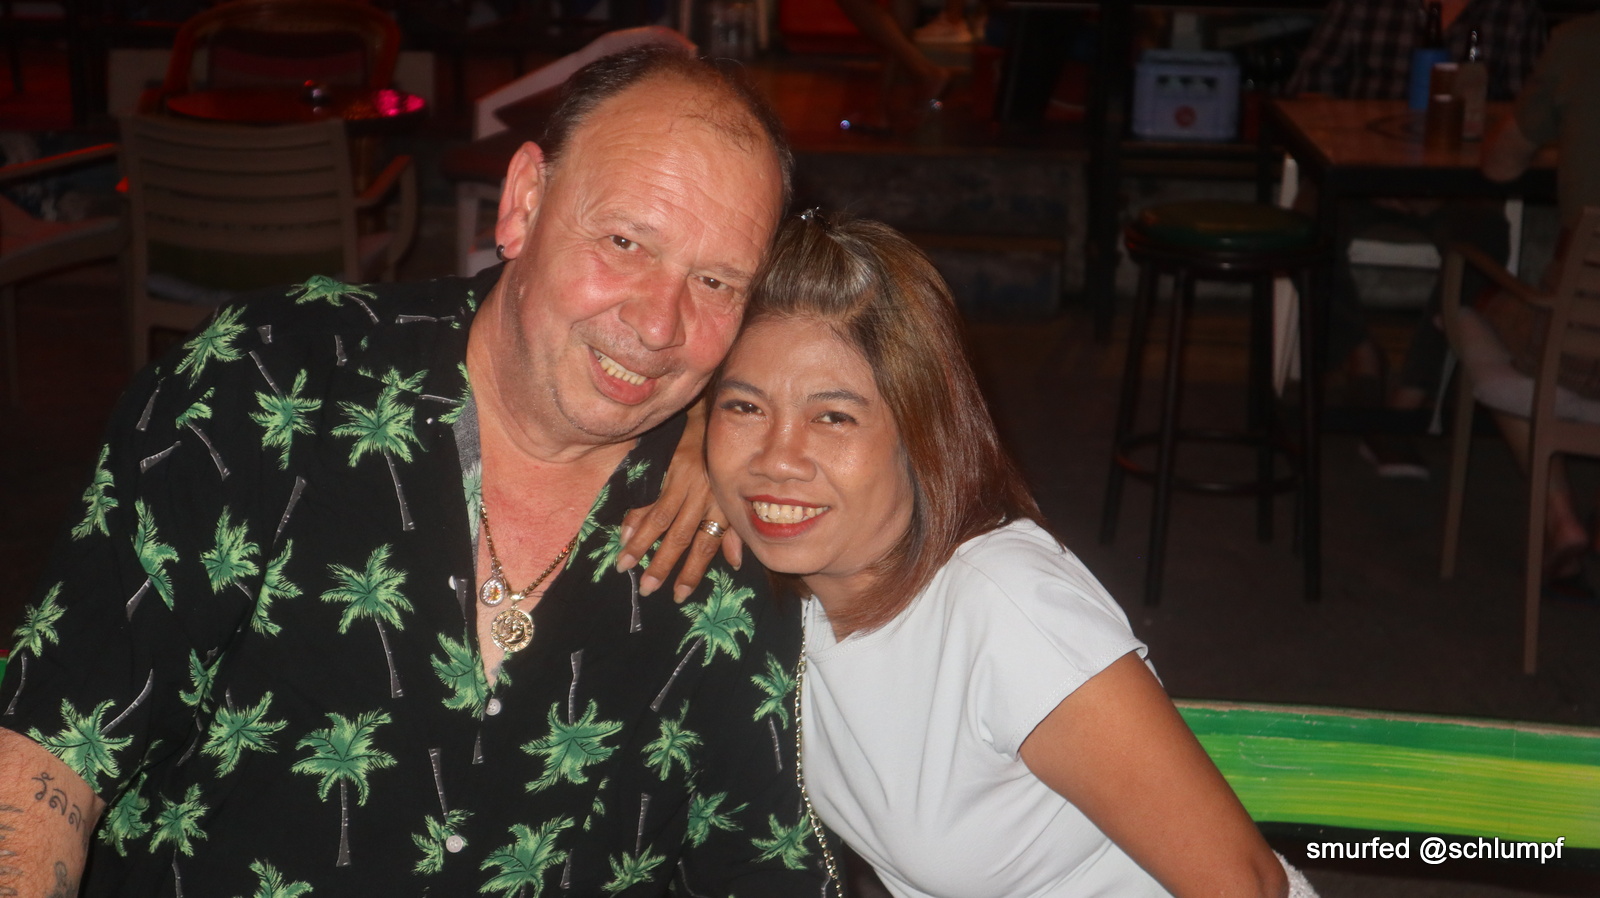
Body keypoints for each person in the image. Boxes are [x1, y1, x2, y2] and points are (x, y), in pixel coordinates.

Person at [0, 46, 832, 896]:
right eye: (624, 242)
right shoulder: (266, 385)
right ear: (524, 202)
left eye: (716, 281)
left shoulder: (748, 523)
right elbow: (51, 745)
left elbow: (760, 861)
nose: (659, 325)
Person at [703, 213, 1311, 897]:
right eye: (744, 408)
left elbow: (1247, 886)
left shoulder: (1005, 610)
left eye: (833, 417)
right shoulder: (793, 593)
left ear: (924, 433)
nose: (778, 459)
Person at [1284, 0, 1545, 478]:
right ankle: (1360, 355)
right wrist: (1366, 161)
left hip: (1461, 182)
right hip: (1360, 168)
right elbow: (1310, 90)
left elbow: (1526, 115)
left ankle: (1409, 399)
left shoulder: (1513, 11)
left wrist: (1451, 174)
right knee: (1305, 225)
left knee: (1483, 241)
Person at [1473, 10, 1600, 598]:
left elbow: (1500, 164)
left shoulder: (1579, 42)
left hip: (1583, 331)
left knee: (1478, 306)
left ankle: (1560, 518)